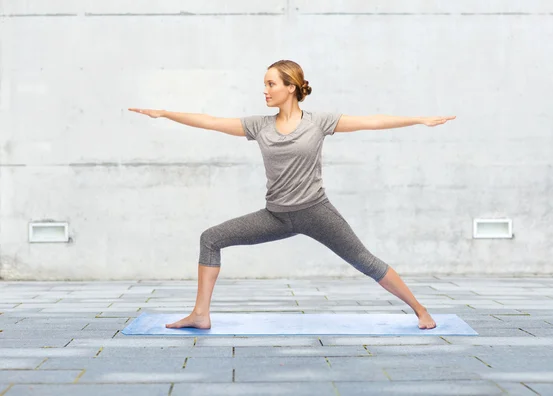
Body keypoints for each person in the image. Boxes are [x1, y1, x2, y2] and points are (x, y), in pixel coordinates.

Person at [129, 59, 455, 331]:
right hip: (276, 216)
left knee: (365, 262)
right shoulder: (259, 126)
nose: (266, 90)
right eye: (265, 84)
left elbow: (372, 121)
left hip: (316, 212)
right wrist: (165, 113)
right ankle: (200, 314)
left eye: (272, 84)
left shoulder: (318, 122)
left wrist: (419, 119)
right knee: (211, 238)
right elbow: (211, 122)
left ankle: (420, 310)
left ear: (292, 87)